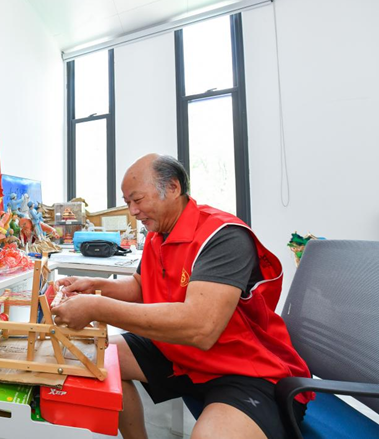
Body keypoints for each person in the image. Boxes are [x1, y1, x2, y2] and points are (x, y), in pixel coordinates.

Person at [52, 154, 312, 439]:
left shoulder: (222, 236)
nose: (133, 211)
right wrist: (93, 286)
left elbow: (201, 328)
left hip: (244, 368)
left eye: (137, 200)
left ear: (173, 188)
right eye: (128, 203)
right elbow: (141, 285)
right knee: (94, 358)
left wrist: (96, 307)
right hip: (182, 352)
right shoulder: (158, 234)